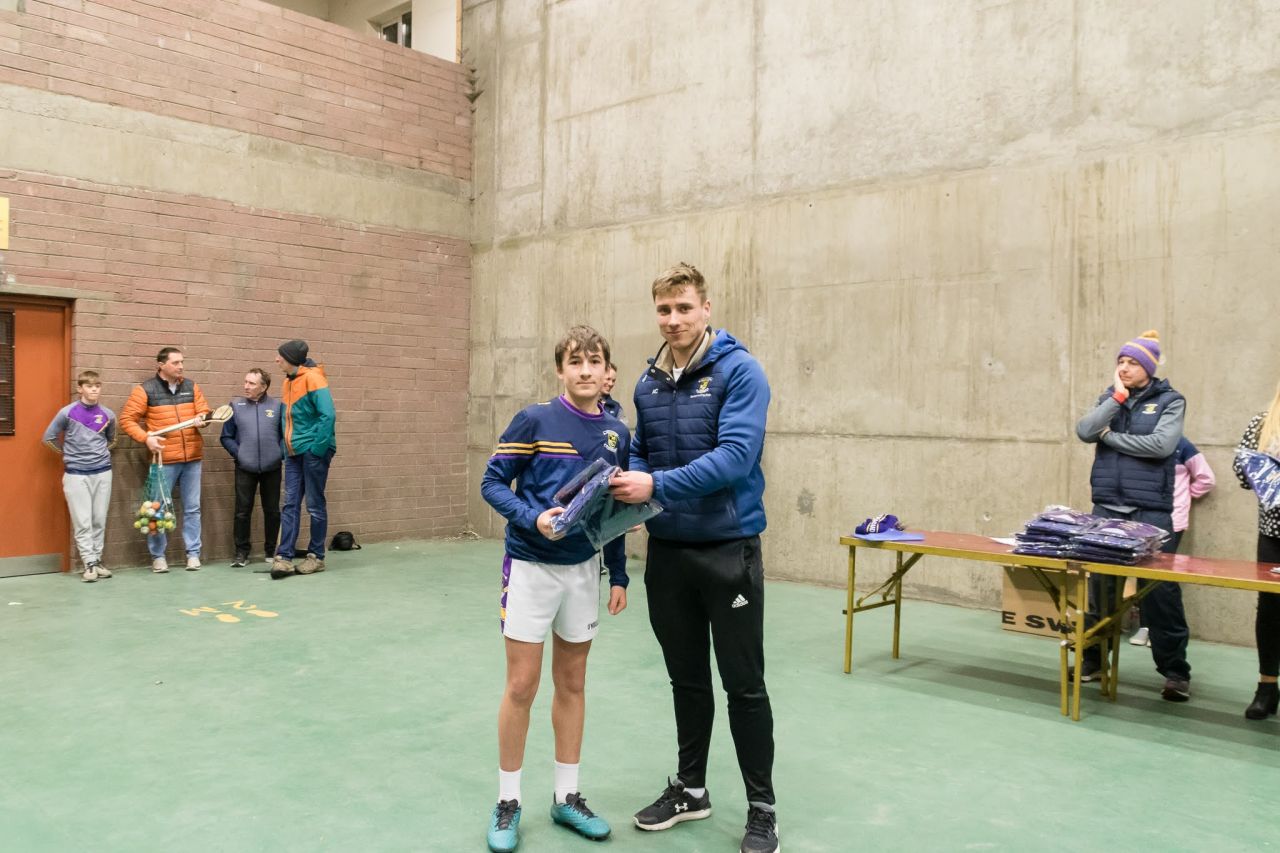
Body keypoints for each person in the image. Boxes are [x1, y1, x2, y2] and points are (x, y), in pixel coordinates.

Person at [610, 262, 779, 853]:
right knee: (686, 678)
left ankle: (762, 807)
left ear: (706, 308)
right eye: (664, 310)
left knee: (744, 684)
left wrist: (653, 484)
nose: (674, 320)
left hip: (728, 551)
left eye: (684, 308)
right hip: (668, 555)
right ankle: (691, 788)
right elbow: (639, 456)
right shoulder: (647, 383)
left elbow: (735, 457)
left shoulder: (741, 371)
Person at [480, 325, 630, 853]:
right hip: (530, 568)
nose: (586, 370)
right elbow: (492, 481)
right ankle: (508, 801)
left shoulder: (618, 433)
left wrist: (619, 572)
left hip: (584, 574)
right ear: (560, 370)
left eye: (594, 361)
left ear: (606, 369)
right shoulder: (535, 419)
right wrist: (532, 518)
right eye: (575, 361)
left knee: (573, 684)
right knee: (522, 686)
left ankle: (567, 797)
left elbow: (613, 510)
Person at [1075, 329, 1192, 701]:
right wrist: (1116, 399)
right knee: (1102, 590)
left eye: (1132, 362)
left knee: (1160, 595)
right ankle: (1093, 660)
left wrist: (1109, 438)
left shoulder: (1171, 401)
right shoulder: (1110, 398)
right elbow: (1084, 430)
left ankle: (1175, 672)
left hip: (1152, 512)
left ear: (1149, 367)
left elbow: (1161, 446)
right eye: (1120, 361)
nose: (1124, 367)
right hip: (1107, 508)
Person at [119, 347, 211, 573]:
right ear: (161, 364)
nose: (181, 366)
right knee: (156, 510)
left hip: (192, 458)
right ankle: (158, 557)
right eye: (176, 362)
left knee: (192, 508)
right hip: (163, 460)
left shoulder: (191, 386)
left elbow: (205, 412)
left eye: (182, 362)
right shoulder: (145, 390)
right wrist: (146, 438)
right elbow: (127, 419)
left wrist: (203, 419)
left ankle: (193, 554)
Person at [1130, 437, 1215, 646]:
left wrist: (1184, 498)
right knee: (1142, 575)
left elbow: (1207, 479)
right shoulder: (1140, 443)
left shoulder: (1183, 446)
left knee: (1163, 580)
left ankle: (1161, 630)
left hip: (1172, 522)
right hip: (1141, 520)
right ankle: (1145, 626)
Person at [1232, 383, 1280, 720]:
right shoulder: (1263, 423)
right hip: (1274, 533)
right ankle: (1266, 687)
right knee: (1270, 609)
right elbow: (1241, 472)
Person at [270, 339, 337, 579]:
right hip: (294, 452)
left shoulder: (313, 378)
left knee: (315, 505)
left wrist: (316, 449)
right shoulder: (287, 382)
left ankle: (316, 557)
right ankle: (284, 558)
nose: (276, 359)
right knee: (289, 504)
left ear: (289, 359)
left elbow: (327, 415)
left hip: (312, 450)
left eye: (280, 356)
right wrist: (286, 449)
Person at [42, 370, 116, 582]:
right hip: (76, 474)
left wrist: (100, 455)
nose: (94, 389)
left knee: (99, 519)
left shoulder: (108, 415)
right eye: (89, 385)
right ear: (80, 388)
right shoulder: (67, 413)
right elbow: (48, 438)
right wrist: (69, 455)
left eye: (97, 386)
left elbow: (112, 440)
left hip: (102, 472)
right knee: (83, 521)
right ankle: (89, 563)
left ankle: (98, 559)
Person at [220, 367, 284, 568]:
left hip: (272, 468)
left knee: (272, 511)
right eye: (245, 382)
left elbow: (285, 436)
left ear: (263, 387)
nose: (246, 386)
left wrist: (278, 454)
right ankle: (241, 553)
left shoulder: (277, 406)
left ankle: (271, 550)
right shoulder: (235, 406)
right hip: (245, 468)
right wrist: (239, 454)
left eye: (251, 383)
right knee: (242, 512)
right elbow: (226, 436)